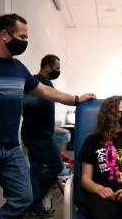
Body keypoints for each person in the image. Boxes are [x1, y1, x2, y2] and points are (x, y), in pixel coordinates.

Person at [0, 13, 96, 219]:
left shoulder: (19, 69)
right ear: (4, 35)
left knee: (24, 198)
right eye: (22, 37)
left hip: (11, 147)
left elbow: (46, 92)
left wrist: (77, 99)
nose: (26, 42)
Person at [21, 54, 93, 218]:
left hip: (29, 133)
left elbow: (22, 109)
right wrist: (79, 99)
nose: (58, 71)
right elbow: (59, 96)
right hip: (40, 136)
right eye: (57, 68)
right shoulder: (44, 83)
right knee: (56, 166)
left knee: (36, 170)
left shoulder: (30, 83)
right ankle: (35, 201)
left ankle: (36, 208)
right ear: (47, 67)